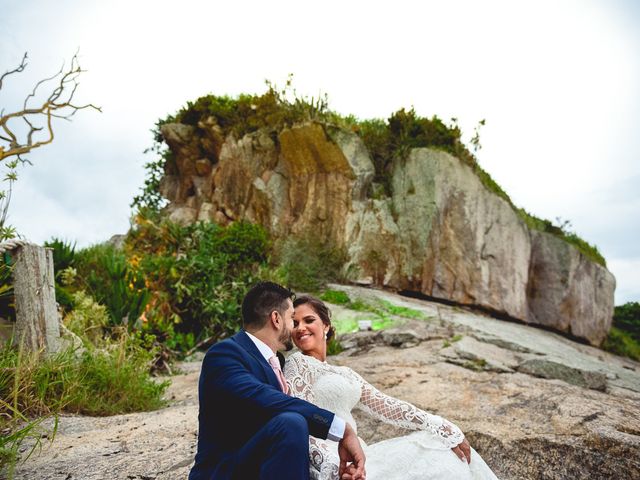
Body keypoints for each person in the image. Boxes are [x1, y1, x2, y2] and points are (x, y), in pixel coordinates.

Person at [285, 295, 500, 480]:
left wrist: (438, 424)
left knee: (440, 445)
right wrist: (332, 467)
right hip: (335, 462)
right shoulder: (297, 363)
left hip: (359, 456)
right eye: (294, 323)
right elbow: (302, 420)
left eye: (309, 320)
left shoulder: (346, 373)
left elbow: (387, 405)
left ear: (326, 326)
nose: (301, 327)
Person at [189, 282, 366, 480]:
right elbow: (265, 399)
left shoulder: (279, 363)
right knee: (291, 422)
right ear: (276, 319)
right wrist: (340, 429)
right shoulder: (224, 354)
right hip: (224, 472)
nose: (294, 328)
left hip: (270, 466)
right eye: (292, 318)